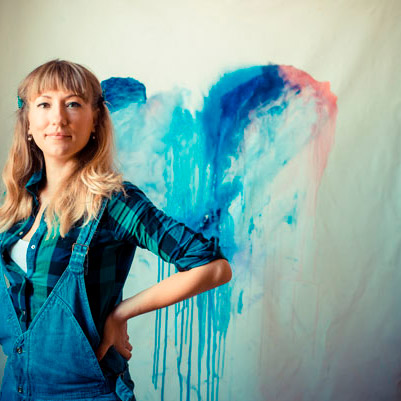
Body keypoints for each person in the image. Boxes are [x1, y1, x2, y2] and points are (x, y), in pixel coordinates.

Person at [0, 59, 232, 401]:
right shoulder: (15, 203)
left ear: (95, 120)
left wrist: (121, 313)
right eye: (45, 104)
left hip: (86, 393)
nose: (58, 118)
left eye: (73, 104)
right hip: (15, 388)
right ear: (28, 124)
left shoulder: (114, 202)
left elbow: (213, 267)